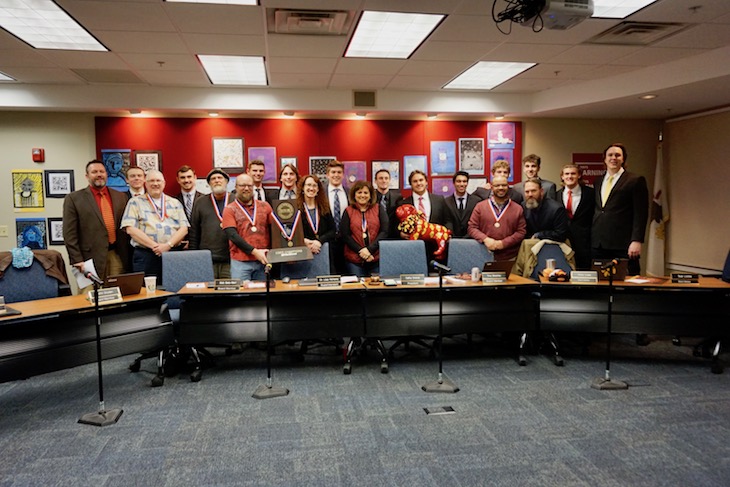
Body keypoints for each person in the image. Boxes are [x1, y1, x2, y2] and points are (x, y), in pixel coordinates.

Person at [63, 159, 130, 289]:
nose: (99, 174)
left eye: (102, 171)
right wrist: (77, 260)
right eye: (94, 172)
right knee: (88, 299)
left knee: (115, 296)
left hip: (116, 254)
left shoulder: (120, 197)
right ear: (87, 176)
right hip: (88, 259)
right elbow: (69, 233)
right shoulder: (74, 199)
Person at [121, 170, 189, 283]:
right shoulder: (134, 202)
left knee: (174, 289)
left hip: (172, 253)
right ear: (145, 183)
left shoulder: (175, 202)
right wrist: (155, 247)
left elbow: (184, 228)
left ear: (164, 183)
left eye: (158, 180)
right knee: (147, 293)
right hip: (146, 255)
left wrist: (168, 245)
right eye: (151, 181)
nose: (155, 183)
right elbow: (130, 229)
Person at [592, 143, 649, 276]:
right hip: (599, 243)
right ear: (604, 159)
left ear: (623, 159)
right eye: (610, 155)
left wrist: (636, 240)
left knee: (628, 280)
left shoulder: (635, 180)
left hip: (623, 243)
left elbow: (641, 213)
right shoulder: (598, 181)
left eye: (617, 155)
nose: (613, 158)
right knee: (601, 281)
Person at [222, 173, 273, 281]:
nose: (246, 188)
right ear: (235, 187)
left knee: (262, 295)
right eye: (242, 185)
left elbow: (275, 230)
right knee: (241, 296)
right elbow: (233, 235)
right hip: (240, 263)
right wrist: (255, 252)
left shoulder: (265, 206)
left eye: (249, 186)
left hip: (263, 261)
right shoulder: (229, 209)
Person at [467, 175, 526, 261]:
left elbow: (521, 232)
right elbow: (472, 228)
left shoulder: (518, 208)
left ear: (508, 187)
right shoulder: (480, 206)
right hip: (484, 255)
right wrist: (485, 239)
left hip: (510, 257)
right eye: (497, 185)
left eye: (504, 185)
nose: (501, 188)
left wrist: (503, 243)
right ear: (491, 187)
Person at [188, 168, 232, 279]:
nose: (217, 180)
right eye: (213, 179)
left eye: (220, 178)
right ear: (209, 184)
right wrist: (194, 256)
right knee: (208, 292)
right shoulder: (200, 202)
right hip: (206, 259)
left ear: (226, 182)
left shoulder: (235, 200)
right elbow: (194, 231)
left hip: (231, 259)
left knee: (230, 291)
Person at [340, 180, 388, 277]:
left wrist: (369, 250)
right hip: (354, 259)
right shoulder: (348, 211)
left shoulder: (378, 208)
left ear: (370, 195)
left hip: (375, 258)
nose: (363, 195)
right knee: (357, 289)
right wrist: (361, 251)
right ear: (354, 195)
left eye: (366, 192)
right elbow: (345, 235)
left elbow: (384, 231)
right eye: (359, 192)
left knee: (376, 288)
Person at [557, 164, 595, 270]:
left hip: (584, 243)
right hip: (563, 242)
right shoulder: (555, 196)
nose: (570, 176)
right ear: (562, 177)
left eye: (573, 173)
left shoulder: (591, 194)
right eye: (567, 174)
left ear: (579, 175)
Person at [297, 174, 335, 257]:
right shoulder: (296, 209)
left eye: (314, 185)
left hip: (323, 251)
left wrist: (319, 241)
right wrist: (304, 241)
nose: (311, 188)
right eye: (309, 185)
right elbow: (293, 232)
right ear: (303, 188)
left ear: (318, 189)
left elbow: (332, 230)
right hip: (303, 252)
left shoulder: (325, 207)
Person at [522, 178, 569, 242]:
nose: (530, 194)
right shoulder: (522, 207)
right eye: (527, 192)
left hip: (552, 246)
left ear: (541, 191)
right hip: (529, 245)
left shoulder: (556, 209)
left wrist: (540, 235)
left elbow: (561, 234)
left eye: (533, 191)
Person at [324, 160, 349, 273]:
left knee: (346, 273)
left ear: (343, 175)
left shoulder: (350, 192)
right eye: (333, 172)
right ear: (327, 175)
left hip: (346, 240)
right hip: (327, 241)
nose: (336, 175)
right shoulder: (320, 193)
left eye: (339, 172)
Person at [444, 171, 481, 237]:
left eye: (464, 181)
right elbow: (447, 221)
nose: (462, 184)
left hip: (471, 239)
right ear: (454, 183)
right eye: (458, 181)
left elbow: (477, 223)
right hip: (452, 240)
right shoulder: (446, 202)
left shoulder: (476, 201)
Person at [373, 168, 402, 238]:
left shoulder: (398, 198)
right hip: (375, 237)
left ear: (389, 180)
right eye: (381, 178)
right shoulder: (370, 198)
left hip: (394, 237)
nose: (384, 181)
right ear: (375, 181)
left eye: (386, 178)